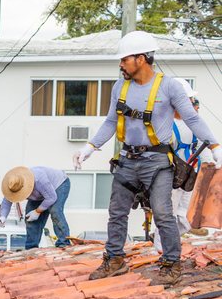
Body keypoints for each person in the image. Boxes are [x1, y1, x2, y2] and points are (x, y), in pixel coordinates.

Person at [74, 30, 222, 285]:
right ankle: (115, 259)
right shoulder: (120, 86)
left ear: (141, 59)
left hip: (157, 161)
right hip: (127, 159)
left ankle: (171, 264)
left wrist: (214, 145)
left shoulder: (169, 86)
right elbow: (111, 121)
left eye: (124, 59)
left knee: (164, 214)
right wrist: (90, 147)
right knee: (117, 212)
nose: (121, 64)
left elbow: (192, 118)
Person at [152, 78, 211, 252]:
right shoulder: (166, 124)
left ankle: (171, 245)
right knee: (167, 214)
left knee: (181, 214)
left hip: (189, 175)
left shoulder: (191, 123)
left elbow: (204, 144)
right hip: (171, 175)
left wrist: (213, 163)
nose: (193, 104)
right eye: (191, 100)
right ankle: (162, 249)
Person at [0, 166, 72, 249]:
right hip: (39, 194)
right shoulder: (12, 185)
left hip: (58, 185)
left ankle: (63, 243)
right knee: (30, 218)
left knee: (55, 211)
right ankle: (31, 247)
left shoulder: (39, 179)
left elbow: (52, 198)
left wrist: (37, 211)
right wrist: (3, 217)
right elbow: (6, 201)